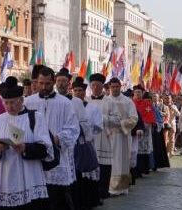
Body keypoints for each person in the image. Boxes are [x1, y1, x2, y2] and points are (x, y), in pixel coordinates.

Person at [0, 76, 52, 210]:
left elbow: (45, 148)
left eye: (13, 102)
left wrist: (25, 147)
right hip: (4, 180)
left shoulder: (35, 118)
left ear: (22, 100)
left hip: (30, 177)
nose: (9, 106)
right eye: (6, 103)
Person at [24, 66, 79, 210]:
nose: (43, 87)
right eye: (40, 83)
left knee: (58, 200)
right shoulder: (28, 102)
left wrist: (58, 138)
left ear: (53, 82)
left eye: (47, 84)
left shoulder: (65, 103)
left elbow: (73, 129)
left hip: (58, 158)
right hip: (35, 158)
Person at [87, 73, 121, 199]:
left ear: (102, 86)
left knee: (104, 167)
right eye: (93, 85)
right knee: (90, 167)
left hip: (105, 138)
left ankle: (103, 192)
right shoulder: (86, 101)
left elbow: (117, 119)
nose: (95, 87)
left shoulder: (110, 101)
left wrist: (101, 119)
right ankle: (91, 194)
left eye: (98, 85)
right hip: (89, 139)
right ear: (90, 86)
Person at [71, 77, 103, 209]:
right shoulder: (69, 105)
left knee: (87, 171)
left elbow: (98, 126)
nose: (78, 93)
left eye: (80, 90)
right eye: (76, 90)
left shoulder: (92, 107)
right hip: (72, 145)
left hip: (86, 143)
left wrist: (87, 130)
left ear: (85, 92)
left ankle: (89, 199)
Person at [107, 78, 138, 195]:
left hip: (122, 137)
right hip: (108, 136)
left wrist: (120, 124)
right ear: (109, 87)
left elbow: (134, 118)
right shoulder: (105, 101)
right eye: (112, 87)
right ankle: (109, 187)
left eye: (117, 86)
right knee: (109, 161)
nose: (115, 89)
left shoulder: (127, 101)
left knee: (122, 161)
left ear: (120, 87)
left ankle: (122, 187)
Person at [132, 85, 155, 175]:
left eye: (139, 92)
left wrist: (143, 125)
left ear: (143, 93)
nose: (137, 94)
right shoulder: (131, 103)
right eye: (136, 92)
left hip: (145, 130)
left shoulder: (147, 103)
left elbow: (149, 115)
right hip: (133, 129)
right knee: (134, 150)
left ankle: (144, 168)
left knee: (143, 150)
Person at [151, 94, 170, 169]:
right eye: (153, 97)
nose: (155, 98)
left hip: (159, 126)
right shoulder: (149, 105)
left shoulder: (162, 105)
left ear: (158, 98)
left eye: (156, 96)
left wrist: (159, 112)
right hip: (152, 126)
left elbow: (166, 114)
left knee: (159, 144)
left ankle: (159, 163)